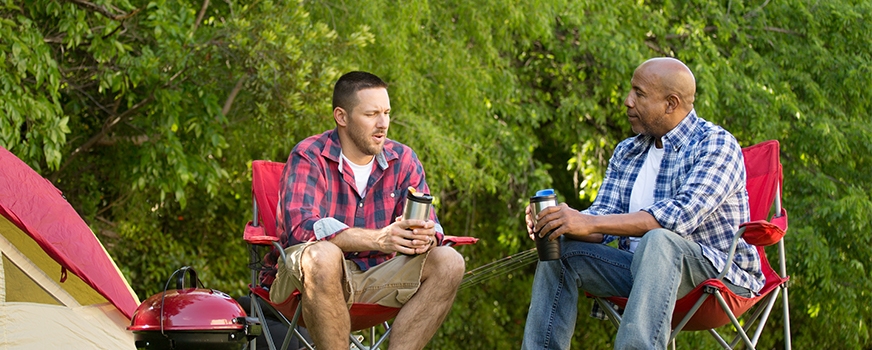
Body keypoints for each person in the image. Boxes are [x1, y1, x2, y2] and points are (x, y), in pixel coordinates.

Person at [521, 58, 765, 350]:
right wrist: (560, 222)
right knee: (562, 252)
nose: (627, 101)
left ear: (671, 103)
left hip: (717, 278)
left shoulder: (715, 145)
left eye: (639, 93)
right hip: (639, 274)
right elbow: (600, 224)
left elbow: (677, 219)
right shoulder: (628, 150)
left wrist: (588, 222)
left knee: (660, 239)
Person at [261, 71, 465, 350]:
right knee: (323, 255)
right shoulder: (309, 155)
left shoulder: (403, 160)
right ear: (341, 117)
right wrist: (379, 239)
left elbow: (435, 227)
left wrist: (425, 237)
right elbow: (301, 229)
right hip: (304, 283)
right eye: (371, 114)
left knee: (450, 261)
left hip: (375, 278)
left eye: (387, 113)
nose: (383, 124)